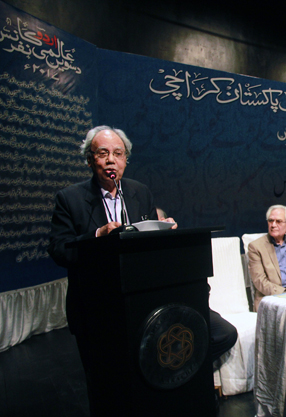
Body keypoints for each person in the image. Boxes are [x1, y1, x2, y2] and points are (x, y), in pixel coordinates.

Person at [47, 126, 237, 414]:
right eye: (103, 153)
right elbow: (59, 250)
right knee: (107, 387)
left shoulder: (139, 192)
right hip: (98, 308)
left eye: (118, 154)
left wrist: (164, 231)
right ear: (89, 160)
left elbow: (149, 246)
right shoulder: (69, 199)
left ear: (125, 160)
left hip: (147, 305)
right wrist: (98, 235)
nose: (111, 160)